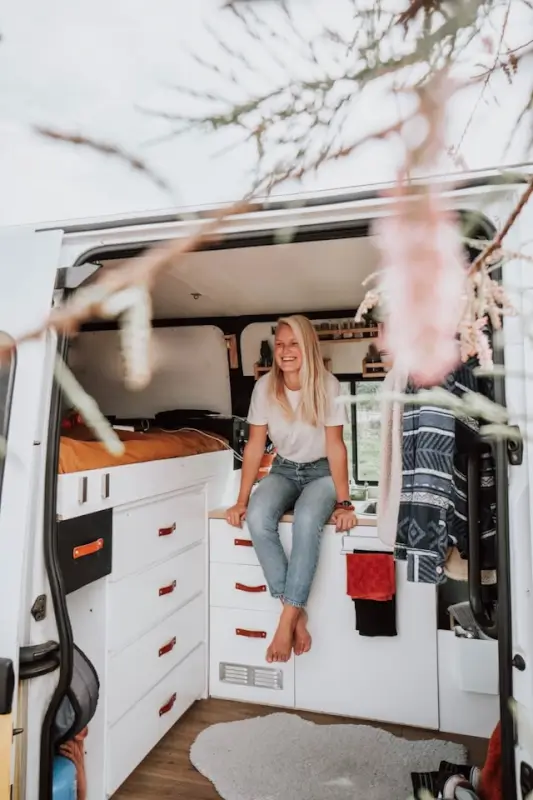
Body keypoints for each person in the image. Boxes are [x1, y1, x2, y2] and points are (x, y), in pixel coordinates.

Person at [226, 315, 357, 663]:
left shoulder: (328, 386)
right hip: (284, 469)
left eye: (293, 343)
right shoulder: (264, 388)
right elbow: (255, 447)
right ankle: (296, 613)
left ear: (308, 347)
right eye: (280, 344)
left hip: (322, 473)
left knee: (307, 518)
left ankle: (286, 621)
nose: (285, 351)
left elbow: (336, 447)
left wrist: (345, 502)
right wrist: (241, 499)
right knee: (256, 517)